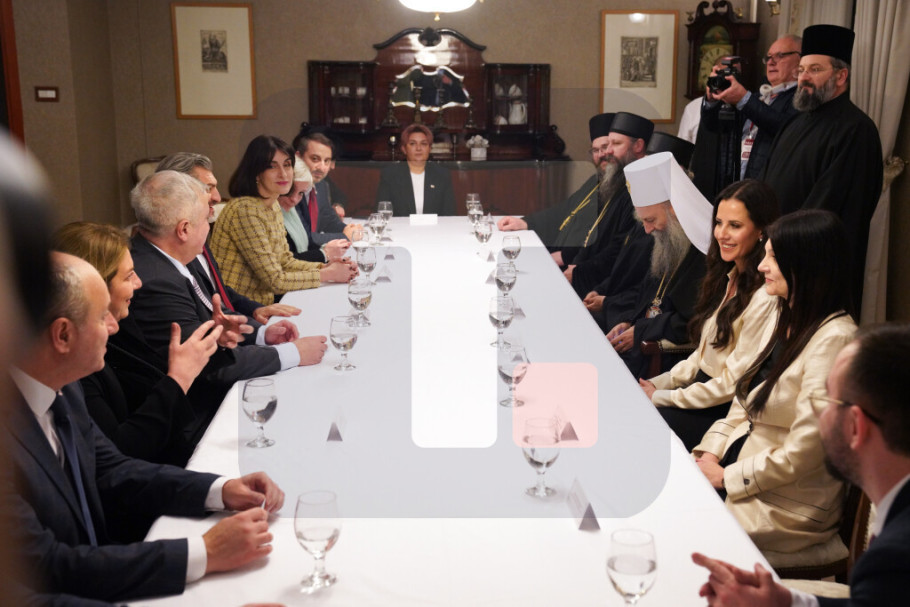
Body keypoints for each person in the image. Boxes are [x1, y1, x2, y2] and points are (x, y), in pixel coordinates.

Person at [2, 252, 284, 603]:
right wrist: (204, 552)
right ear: (63, 335)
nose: (113, 326)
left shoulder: (62, 386)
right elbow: (47, 567)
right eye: (101, 316)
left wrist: (220, 490)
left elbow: (111, 469)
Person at [692, 323, 910, 607]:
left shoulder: (894, 560)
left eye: (827, 400)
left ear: (855, 426)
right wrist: (785, 601)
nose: (815, 417)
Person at [692, 210, 856, 555]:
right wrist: (712, 451)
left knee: (675, 531)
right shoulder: (788, 314)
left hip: (786, 502)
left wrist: (726, 477)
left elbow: (807, 449)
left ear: (806, 265)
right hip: (743, 466)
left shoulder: (835, 339)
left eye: (773, 258)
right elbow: (744, 398)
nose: (762, 266)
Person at [129, 170, 328, 419]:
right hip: (191, 415)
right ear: (184, 230)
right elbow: (211, 365)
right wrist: (293, 353)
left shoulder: (172, 253)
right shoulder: (156, 282)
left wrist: (262, 334)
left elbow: (214, 313)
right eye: (206, 219)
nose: (209, 225)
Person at [54, 222, 219, 469]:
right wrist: (178, 379)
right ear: (96, 284)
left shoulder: (122, 323)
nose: (139, 283)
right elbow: (119, 456)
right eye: (128, 275)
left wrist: (215, 339)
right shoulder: (74, 365)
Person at [639, 180, 780, 452]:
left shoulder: (765, 295)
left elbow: (732, 384)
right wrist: (657, 383)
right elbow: (701, 357)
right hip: (699, 393)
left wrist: (661, 397)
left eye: (734, 225)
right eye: (718, 223)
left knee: (643, 428)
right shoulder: (729, 276)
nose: (722, 234)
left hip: (720, 410)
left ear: (761, 231)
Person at [762, 25, 882, 312]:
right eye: (802, 69)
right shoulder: (794, 123)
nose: (804, 77)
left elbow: (829, 204)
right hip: (775, 257)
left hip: (816, 267)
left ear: (841, 76)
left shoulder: (857, 130)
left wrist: (784, 244)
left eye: (815, 69)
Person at [155, 152, 306, 332]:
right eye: (207, 189)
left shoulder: (194, 238)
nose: (218, 197)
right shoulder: (162, 268)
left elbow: (216, 290)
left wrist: (255, 310)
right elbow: (196, 333)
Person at [209, 135, 356, 305]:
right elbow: (275, 281)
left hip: (265, 303)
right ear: (256, 173)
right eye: (272, 166)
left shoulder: (272, 205)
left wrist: (325, 266)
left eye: (287, 165)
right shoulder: (245, 210)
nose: (283, 174)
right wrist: (328, 274)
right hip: (241, 309)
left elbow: (285, 261)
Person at [605, 152, 712, 378]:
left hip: (672, 363)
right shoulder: (671, 241)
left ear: (674, 208)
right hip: (644, 347)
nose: (647, 230)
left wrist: (642, 330)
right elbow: (650, 298)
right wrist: (629, 322)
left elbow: (696, 321)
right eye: (642, 221)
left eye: (650, 220)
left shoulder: (705, 249)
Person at [497, 112, 613, 267]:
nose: (601, 155)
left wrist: (567, 257)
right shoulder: (596, 181)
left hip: (579, 266)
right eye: (595, 150)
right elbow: (565, 209)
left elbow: (608, 241)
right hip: (560, 255)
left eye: (605, 147)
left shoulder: (624, 191)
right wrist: (526, 222)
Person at [695, 36, 801, 197]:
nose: (771, 62)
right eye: (768, 57)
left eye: (780, 55)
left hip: (767, 190)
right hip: (735, 183)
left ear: (800, 61)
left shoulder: (801, 98)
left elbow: (784, 128)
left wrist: (744, 99)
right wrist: (712, 100)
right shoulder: (758, 97)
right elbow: (715, 127)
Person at [564, 112, 653, 298]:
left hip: (610, 289)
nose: (608, 151)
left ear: (638, 146)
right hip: (592, 279)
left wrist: (580, 273)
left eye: (616, 144)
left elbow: (622, 249)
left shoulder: (640, 190)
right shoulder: (615, 181)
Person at [375, 123, 455, 216]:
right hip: (401, 226)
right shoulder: (390, 175)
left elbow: (449, 214)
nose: (418, 148)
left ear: (429, 148)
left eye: (423, 144)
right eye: (412, 144)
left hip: (434, 226)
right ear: (404, 149)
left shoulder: (442, 175)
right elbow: (381, 213)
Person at [291, 130, 357, 243]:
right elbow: (302, 238)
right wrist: (345, 236)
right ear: (298, 157)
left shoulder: (321, 185)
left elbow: (329, 221)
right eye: (315, 159)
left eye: (326, 161)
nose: (322, 168)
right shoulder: (290, 190)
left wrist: (349, 230)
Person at [278, 161, 350, 262]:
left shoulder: (298, 204)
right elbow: (284, 261)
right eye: (289, 191)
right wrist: (325, 254)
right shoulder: (269, 212)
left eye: (301, 193)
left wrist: (330, 260)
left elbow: (308, 242)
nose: (294, 199)